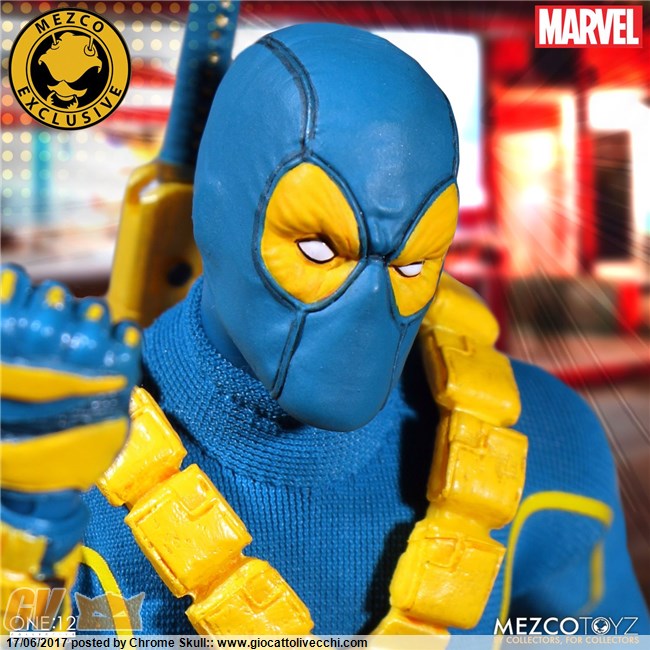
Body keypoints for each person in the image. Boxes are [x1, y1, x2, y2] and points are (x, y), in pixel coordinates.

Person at [1, 23, 648, 638]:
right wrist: (25, 538)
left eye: (412, 261)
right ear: (216, 210)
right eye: (317, 250)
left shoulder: (547, 442)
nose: (367, 315)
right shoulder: (53, 447)